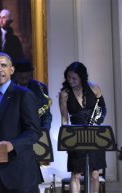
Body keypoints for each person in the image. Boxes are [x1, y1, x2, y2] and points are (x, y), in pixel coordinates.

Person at [0, 52, 42, 193]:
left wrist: (12, 144)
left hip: (20, 174)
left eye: (3, 65)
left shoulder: (23, 94)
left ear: (11, 70)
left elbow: (34, 132)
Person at [59, 61, 107, 193]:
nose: (70, 80)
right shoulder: (65, 94)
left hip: (95, 135)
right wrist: (66, 139)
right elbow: (64, 118)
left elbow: (103, 109)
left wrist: (96, 122)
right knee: (75, 174)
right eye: (68, 77)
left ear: (82, 77)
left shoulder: (94, 88)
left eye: (74, 78)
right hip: (76, 135)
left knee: (94, 174)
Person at [13, 60, 52, 130]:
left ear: (31, 74)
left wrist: (45, 132)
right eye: (22, 78)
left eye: (27, 77)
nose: (24, 79)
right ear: (15, 74)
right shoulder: (9, 88)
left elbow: (46, 115)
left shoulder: (41, 88)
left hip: (36, 131)